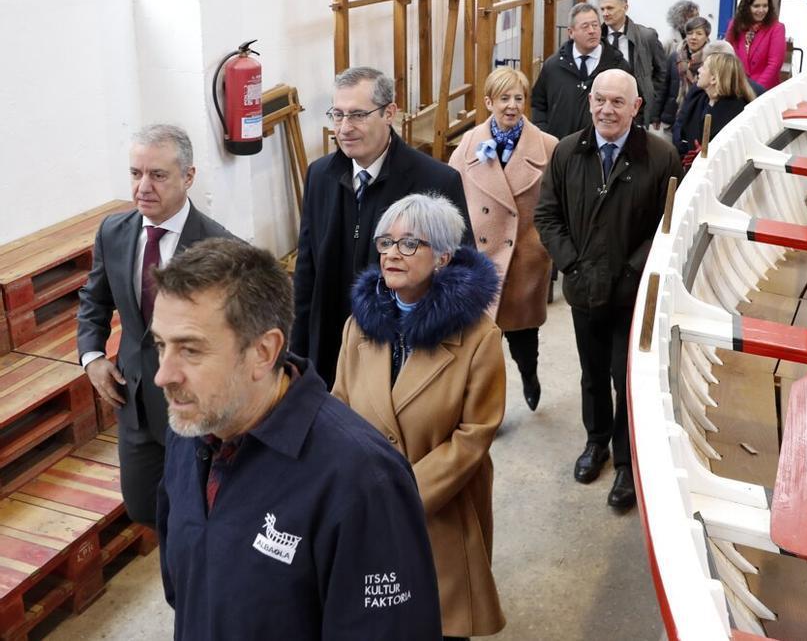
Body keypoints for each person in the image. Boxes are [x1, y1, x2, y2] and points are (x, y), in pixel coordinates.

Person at [153, 238, 441, 640]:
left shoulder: (362, 480)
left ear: (263, 351)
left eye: (190, 350)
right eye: (160, 346)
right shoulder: (190, 432)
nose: (163, 375)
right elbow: (184, 588)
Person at [332, 195, 505, 640]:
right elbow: (337, 410)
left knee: (437, 622)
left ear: (443, 257)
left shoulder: (479, 339)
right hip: (365, 510)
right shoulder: (359, 326)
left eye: (409, 244)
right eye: (385, 241)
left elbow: (474, 436)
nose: (391, 253)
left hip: (438, 508)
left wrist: (402, 494)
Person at [534, 70, 683, 509]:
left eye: (618, 102)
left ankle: (625, 462)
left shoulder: (659, 157)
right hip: (583, 288)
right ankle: (595, 441)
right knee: (593, 374)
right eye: (599, 100)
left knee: (625, 376)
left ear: (636, 107)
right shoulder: (567, 152)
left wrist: (631, 272)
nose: (606, 110)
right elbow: (546, 215)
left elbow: (666, 226)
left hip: (630, 294)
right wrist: (571, 263)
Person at [76, 124, 233, 526]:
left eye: (158, 175)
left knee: (200, 516)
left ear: (189, 177)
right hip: (134, 406)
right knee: (145, 510)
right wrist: (92, 357)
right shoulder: (114, 233)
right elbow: (94, 299)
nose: (143, 186)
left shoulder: (221, 250)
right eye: (135, 173)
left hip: (196, 411)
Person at [292, 66, 473, 388]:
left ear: (389, 112)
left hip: (402, 354)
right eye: (337, 115)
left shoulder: (436, 182)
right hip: (332, 350)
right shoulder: (320, 176)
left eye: (358, 115)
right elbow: (307, 273)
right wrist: (297, 355)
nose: (344, 128)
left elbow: (460, 277)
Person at [448, 67, 557, 411]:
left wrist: (544, 247)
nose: (512, 106)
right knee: (481, 346)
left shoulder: (548, 147)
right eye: (504, 98)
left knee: (523, 339)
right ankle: (487, 407)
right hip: (480, 262)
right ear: (488, 102)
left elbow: (557, 205)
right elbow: (450, 195)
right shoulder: (470, 143)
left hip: (524, 260)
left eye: (518, 98)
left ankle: (529, 374)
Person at [531, 2, 633, 139]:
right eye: (585, 26)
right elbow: (538, 104)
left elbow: (634, 105)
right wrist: (543, 133)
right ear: (571, 32)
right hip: (559, 148)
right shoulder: (553, 66)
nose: (592, 30)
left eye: (595, 25)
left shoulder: (617, 66)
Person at [599, 0, 669, 129]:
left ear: (625, 7)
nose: (605, 13)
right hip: (604, 111)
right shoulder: (597, 39)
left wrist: (651, 100)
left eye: (610, 8)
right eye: (602, 9)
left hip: (638, 113)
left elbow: (662, 73)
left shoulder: (646, 37)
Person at [674, 52, 757, 168]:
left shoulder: (737, 112)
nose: (699, 70)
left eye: (703, 67)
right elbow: (682, 128)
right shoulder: (699, 98)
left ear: (714, 78)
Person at [725, 0, 788, 90]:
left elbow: (774, 64)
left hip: (762, 90)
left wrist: (754, 90)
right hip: (736, 87)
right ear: (747, 7)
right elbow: (726, 55)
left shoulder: (777, 28)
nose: (761, 10)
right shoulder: (734, 24)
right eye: (756, 6)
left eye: (765, 6)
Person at [657, 16, 711, 130]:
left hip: (696, 118)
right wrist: (656, 116)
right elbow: (663, 87)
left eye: (699, 33)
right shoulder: (675, 56)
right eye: (690, 33)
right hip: (671, 117)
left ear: (707, 37)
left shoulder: (711, 60)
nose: (693, 37)